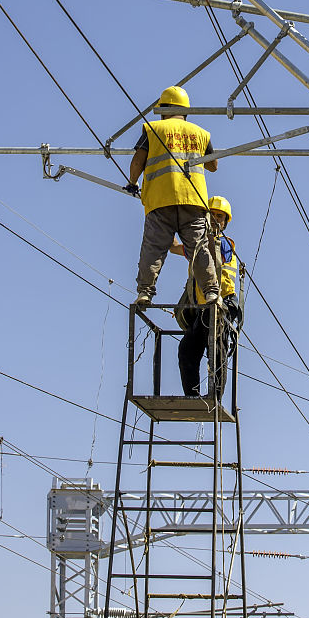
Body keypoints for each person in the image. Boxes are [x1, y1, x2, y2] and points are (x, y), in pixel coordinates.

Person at [125, 85, 221, 308]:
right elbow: (213, 165)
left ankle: (145, 293)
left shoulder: (153, 129)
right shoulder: (200, 133)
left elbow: (138, 160)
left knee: (153, 248)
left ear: (164, 109)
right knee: (199, 249)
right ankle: (211, 293)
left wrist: (132, 182)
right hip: (193, 201)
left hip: (160, 201)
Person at [172, 195, 242, 398]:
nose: (216, 220)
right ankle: (192, 397)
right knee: (186, 350)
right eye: (212, 215)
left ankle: (214, 398)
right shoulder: (197, 246)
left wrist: (195, 240)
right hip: (202, 310)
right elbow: (174, 248)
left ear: (225, 222)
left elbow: (214, 256)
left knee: (216, 351)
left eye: (220, 217)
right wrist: (172, 223)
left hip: (222, 307)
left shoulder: (226, 244)